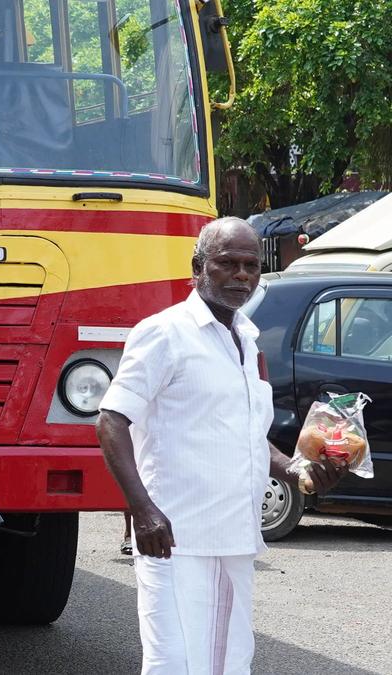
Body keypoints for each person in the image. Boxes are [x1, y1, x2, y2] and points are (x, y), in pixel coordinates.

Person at [95, 217, 348, 674]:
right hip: (175, 539)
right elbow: (111, 420)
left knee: (228, 663)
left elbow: (247, 437)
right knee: (173, 663)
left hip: (236, 537)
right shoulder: (164, 332)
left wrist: (298, 471)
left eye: (251, 266)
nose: (241, 275)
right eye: (228, 263)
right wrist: (143, 511)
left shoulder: (247, 340)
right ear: (198, 267)